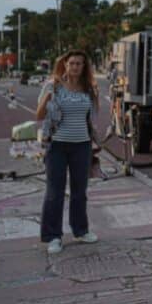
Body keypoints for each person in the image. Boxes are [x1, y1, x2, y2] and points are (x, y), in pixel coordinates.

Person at [37, 49, 100, 255]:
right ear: (65, 64)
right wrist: (46, 100)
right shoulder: (53, 86)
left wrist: (95, 139)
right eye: (71, 63)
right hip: (57, 146)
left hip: (81, 146)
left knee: (79, 192)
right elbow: (39, 115)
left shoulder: (88, 89)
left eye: (79, 64)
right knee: (55, 193)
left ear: (84, 67)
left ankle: (80, 230)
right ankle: (53, 236)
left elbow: (88, 119)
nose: (75, 67)